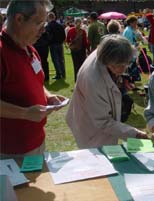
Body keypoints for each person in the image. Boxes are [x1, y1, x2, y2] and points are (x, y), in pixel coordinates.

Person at [0, 0, 66, 157]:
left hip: (36, 141)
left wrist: (48, 96)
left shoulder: (30, 49)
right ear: (19, 19)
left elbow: (37, 82)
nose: (43, 30)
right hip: (9, 151)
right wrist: (25, 113)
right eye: (38, 23)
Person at [66, 35, 147, 148]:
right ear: (105, 61)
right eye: (118, 66)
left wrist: (122, 78)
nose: (123, 69)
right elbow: (103, 122)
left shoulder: (107, 52)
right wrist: (136, 134)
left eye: (126, 64)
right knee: (99, 158)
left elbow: (116, 69)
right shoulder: (93, 80)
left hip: (98, 119)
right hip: (91, 128)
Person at [66, 18, 88, 82]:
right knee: (82, 65)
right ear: (81, 23)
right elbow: (85, 43)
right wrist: (88, 49)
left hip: (74, 50)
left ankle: (77, 80)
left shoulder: (70, 30)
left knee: (75, 65)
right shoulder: (83, 31)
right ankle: (83, 79)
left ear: (74, 23)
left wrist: (71, 45)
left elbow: (67, 40)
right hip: (82, 50)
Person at [46, 12, 66, 79]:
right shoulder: (60, 25)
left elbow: (48, 36)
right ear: (54, 17)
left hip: (53, 44)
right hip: (60, 44)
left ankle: (58, 74)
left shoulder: (49, 26)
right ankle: (63, 73)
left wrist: (49, 42)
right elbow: (64, 35)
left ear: (49, 18)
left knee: (55, 60)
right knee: (61, 59)